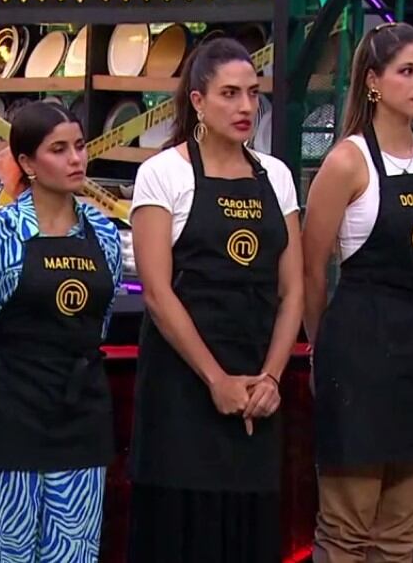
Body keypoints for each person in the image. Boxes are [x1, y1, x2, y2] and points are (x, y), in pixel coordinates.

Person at [127, 37, 304, 563]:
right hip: (182, 388)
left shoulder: (277, 176)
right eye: (230, 93)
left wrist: (271, 378)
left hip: (257, 385)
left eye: (252, 93)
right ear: (198, 101)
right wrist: (216, 380)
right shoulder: (164, 173)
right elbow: (158, 293)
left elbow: (292, 290)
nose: (246, 106)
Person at [302, 22, 413, 562]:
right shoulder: (347, 162)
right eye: (406, 71)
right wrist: (320, 350)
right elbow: (311, 270)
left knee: (401, 533)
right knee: (346, 530)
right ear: (373, 81)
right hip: (361, 354)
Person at [0, 102, 123, 562]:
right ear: (26, 162)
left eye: (80, 146)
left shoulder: (104, 235)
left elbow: (99, 324)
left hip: (79, 416)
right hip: (5, 420)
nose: (76, 159)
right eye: (59, 149)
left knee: (74, 552)